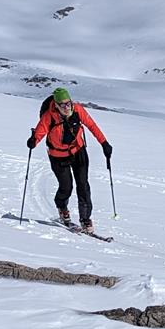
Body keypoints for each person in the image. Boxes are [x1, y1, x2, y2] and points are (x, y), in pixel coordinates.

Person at [29, 88, 112, 231]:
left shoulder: (78, 110)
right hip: (57, 155)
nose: (66, 107)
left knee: (83, 185)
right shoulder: (49, 116)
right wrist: (33, 141)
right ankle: (62, 207)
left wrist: (104, 143)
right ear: (56, 105)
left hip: (78, 151)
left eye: (68, 103)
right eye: (62, 105)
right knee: (66, 186)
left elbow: (92, 125)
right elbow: (40, 132)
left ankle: (85, 219)